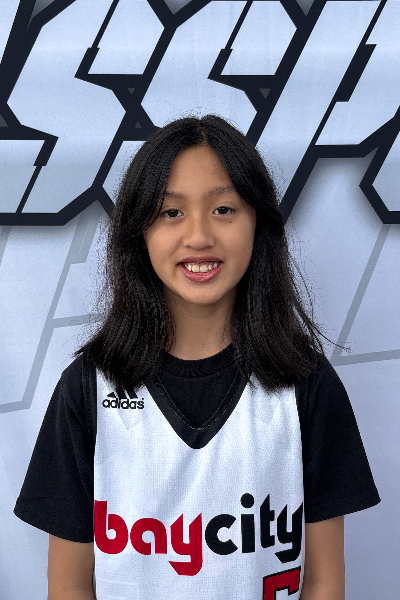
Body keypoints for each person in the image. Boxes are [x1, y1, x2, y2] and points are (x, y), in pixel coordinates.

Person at [15, 115, 380, 600]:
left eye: (224, 209)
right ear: (139, 232)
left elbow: (324, 581)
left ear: (258, 223)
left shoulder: (306, 384)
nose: (199, 236)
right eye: (171, 212)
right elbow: (68, 585)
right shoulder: (88, 388)